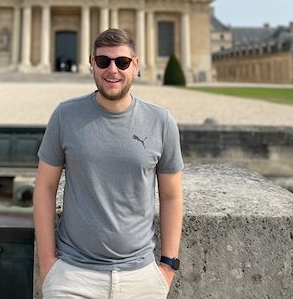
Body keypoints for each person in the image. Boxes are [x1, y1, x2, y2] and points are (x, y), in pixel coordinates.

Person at [34, 28, 184, 299]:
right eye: (103, 61)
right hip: (72, 276)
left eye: (122, 62)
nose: (112, 70)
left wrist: (168, 267)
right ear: (92, 63)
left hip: (141, 278)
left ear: (135, 65)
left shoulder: (161, 122)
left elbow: (172, 196)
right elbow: (44, 187)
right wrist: (47, 263)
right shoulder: (65, 115)